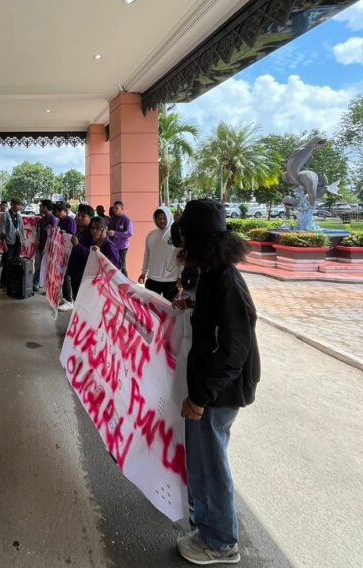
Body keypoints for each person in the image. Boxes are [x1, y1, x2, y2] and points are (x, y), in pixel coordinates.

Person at [173, 199, 260, 566]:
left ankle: (222, 542)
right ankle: (207, 523)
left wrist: (200, 398)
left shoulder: (227, 283)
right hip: (209, 389)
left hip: (218, 393)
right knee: (202, 460)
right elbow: (216, 328)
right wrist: (192, 307)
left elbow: (233, 352)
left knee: (211, 464)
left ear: (201, 241)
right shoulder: (212, 275)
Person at [138, 206, 181, 301]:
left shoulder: (176, 234)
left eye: (164, 218)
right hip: (153, 280)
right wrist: (143, 273)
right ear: (155, 220)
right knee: (151, 309)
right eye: (159, 218)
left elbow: (180, 258)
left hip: (171, 281)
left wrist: (180, 277)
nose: (161, 221)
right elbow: (147, 255)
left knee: (170, 310)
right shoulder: (151, 235)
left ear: (169, 217)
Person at [53, 203, 77, 311]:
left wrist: (63, 233)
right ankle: (65, 298)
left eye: (58, 212)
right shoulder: (59, 220)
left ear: (63, 210)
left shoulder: (70, 221)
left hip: (68, 252)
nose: (56, 214)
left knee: (66, 275)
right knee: (62, 274)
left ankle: (69, 300)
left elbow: (71, 236)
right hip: (61, 251)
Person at [0, 198, 24, 294]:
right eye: (18, 205)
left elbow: (22, 231)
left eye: (20, 205)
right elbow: (2, 231)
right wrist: (4, 244)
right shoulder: (5, 216)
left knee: (15, 265)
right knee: (7, 264)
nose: (19, 207)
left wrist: (22, 244)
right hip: (9, 244)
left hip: (17, 244)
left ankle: (12, 285)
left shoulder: (19, 216)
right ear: (12, 204)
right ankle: (3, 285)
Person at [34, 199, 57, 291]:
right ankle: (36, 282)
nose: (40, 208)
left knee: (46, 267)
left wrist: (48, 248)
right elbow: (37, 231)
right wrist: (36, 240)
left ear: (45, 207)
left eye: (41, 206)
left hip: (47, 249)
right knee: (38, 266)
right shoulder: (41, 220)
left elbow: (54, 236)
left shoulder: (53, 220)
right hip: (39, 247)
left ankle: (45, 286)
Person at [107, 200, 133, 275]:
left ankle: (126, 283)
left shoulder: (126, 220)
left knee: (122, 266)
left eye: (116, 208)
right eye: (113, 208)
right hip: (112, 245)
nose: (114, 210)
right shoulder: (112, 218)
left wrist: (115, 233)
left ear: (122, 209)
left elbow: (129, 233)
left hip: (122, 247)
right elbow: (108, 228)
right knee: (113, 265)